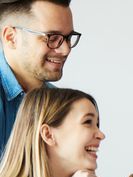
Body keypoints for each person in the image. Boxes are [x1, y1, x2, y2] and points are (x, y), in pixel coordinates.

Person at [0, 0, 80, 155]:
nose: (65, 49)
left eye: (69, 37)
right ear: (11, 37)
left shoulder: (60, 104)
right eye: (51, 37)